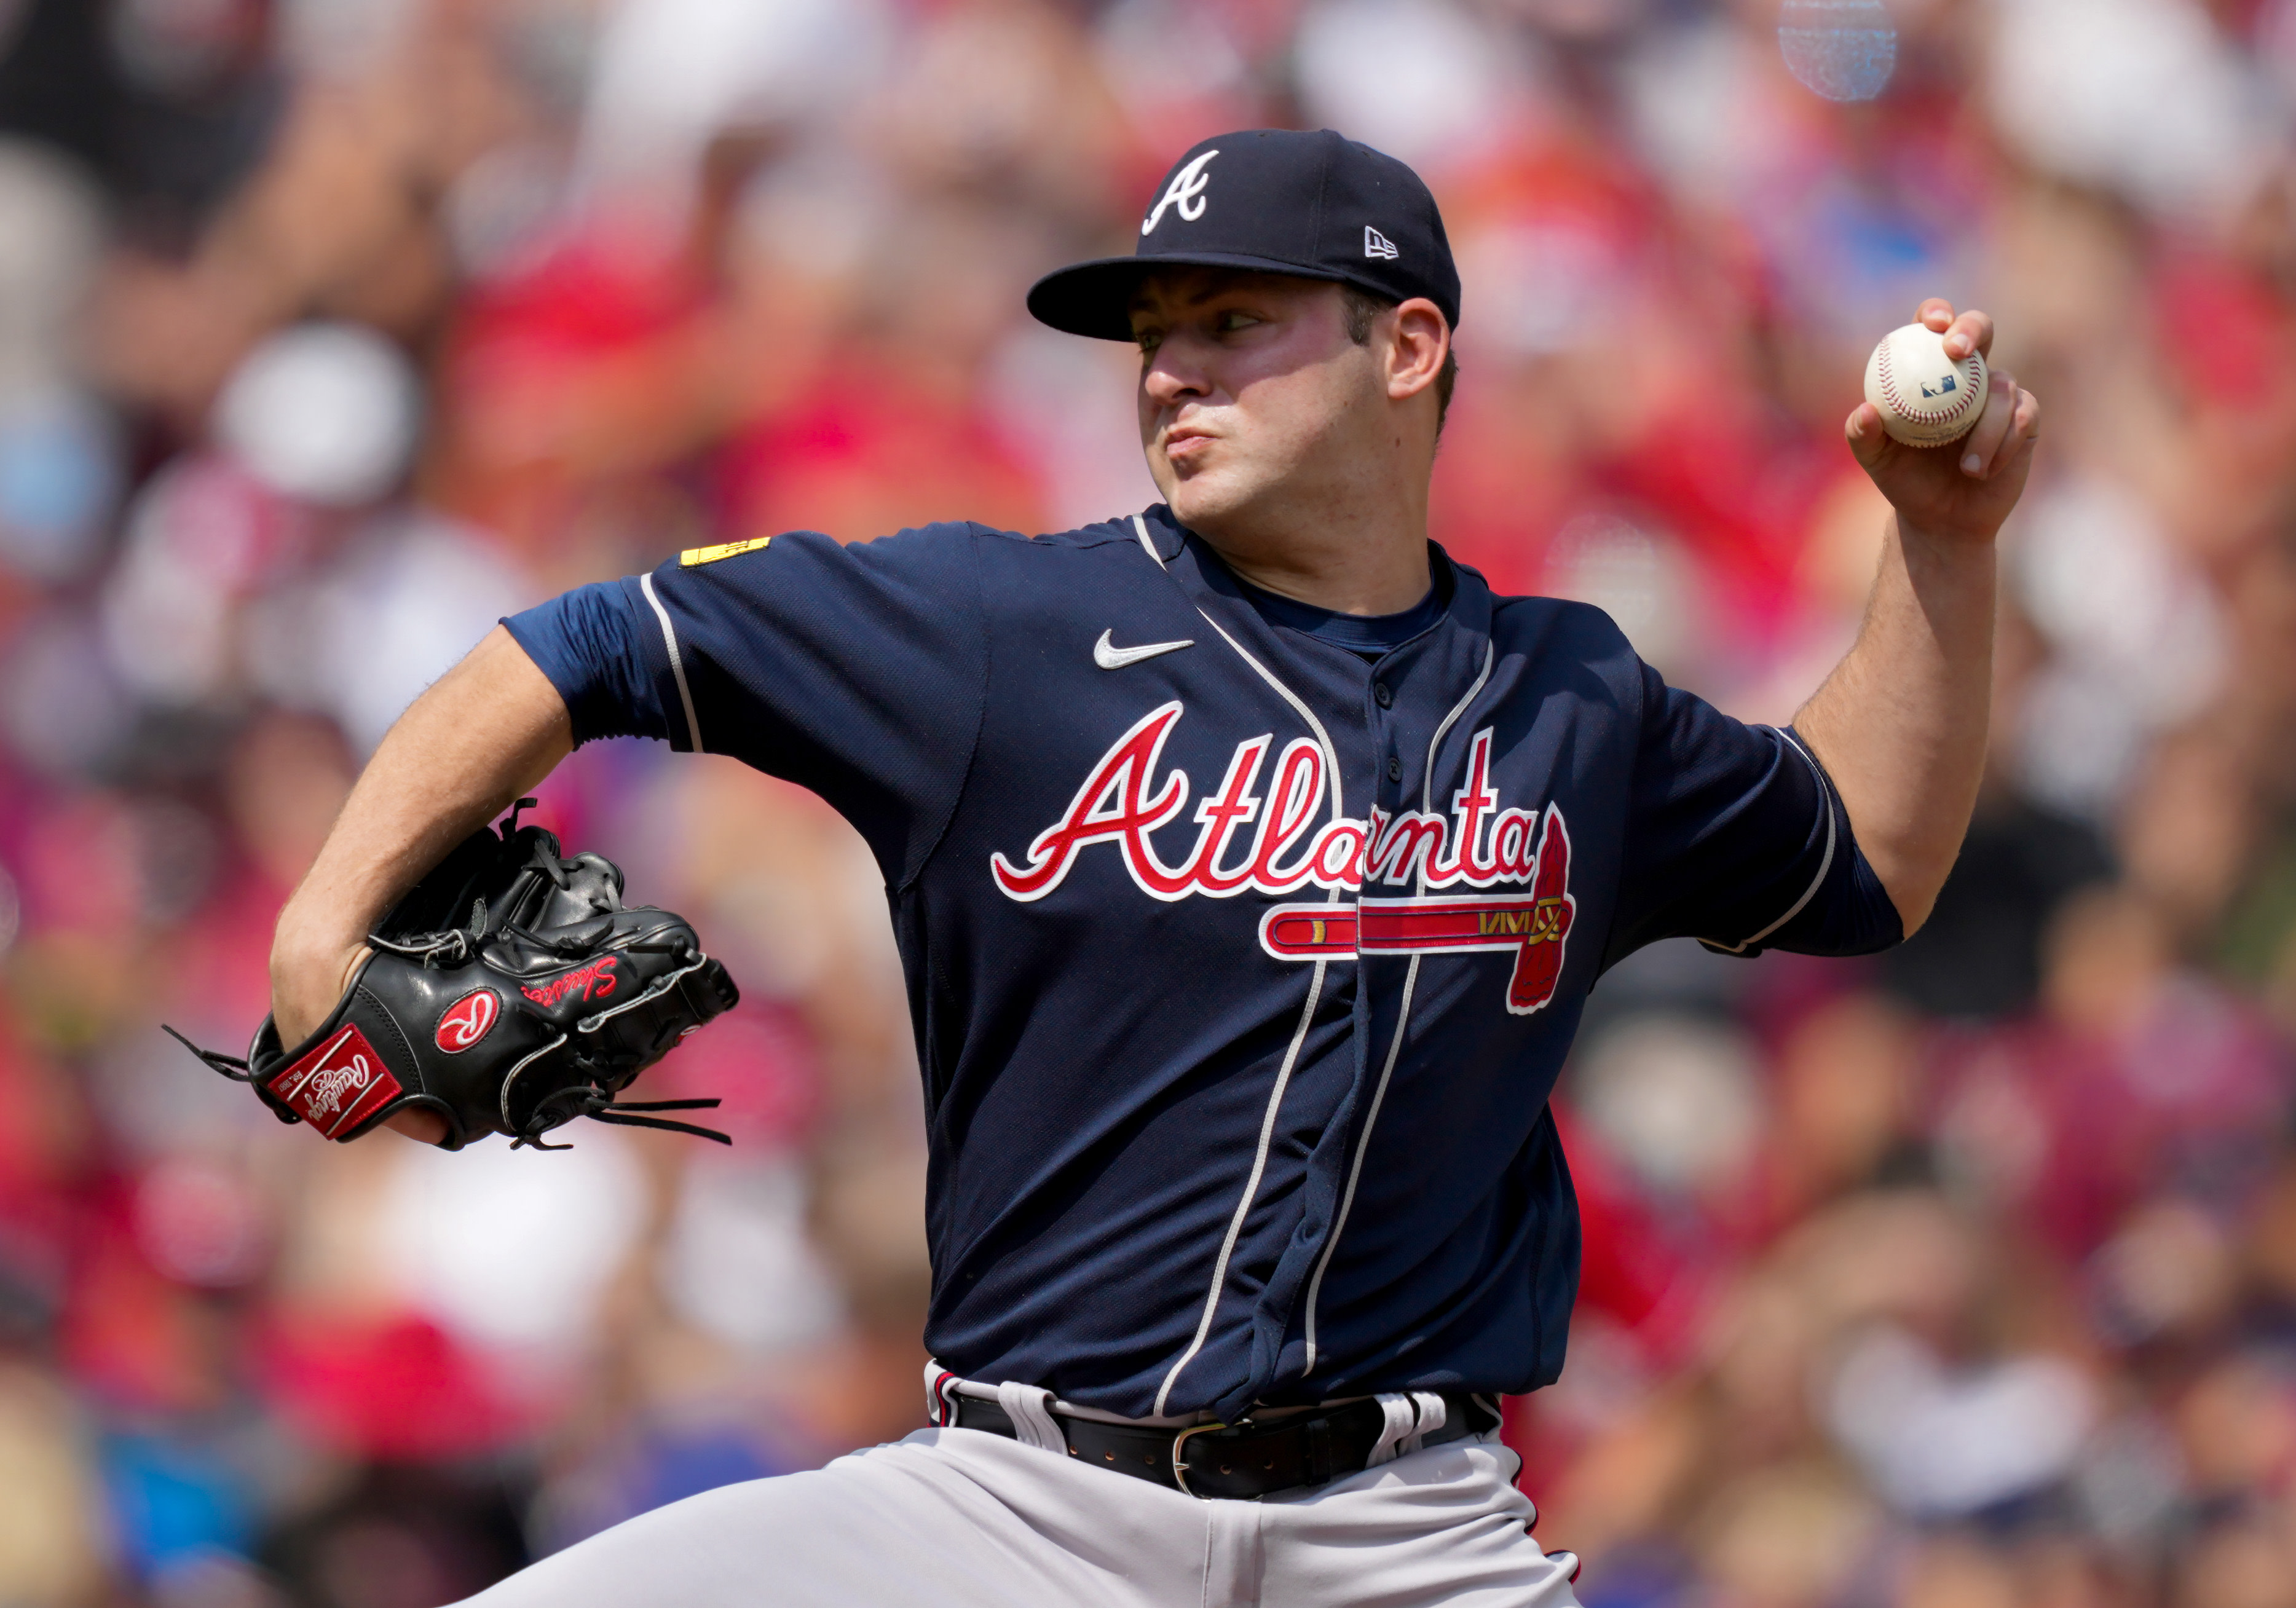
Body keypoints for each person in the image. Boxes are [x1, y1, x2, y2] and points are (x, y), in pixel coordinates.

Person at [267, 128, 2040, 1606]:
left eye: (1231, 319)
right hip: (1012, 1515)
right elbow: (581, 643)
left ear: (1406, 347)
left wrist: (1939, 549)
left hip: (1407, 1540)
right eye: (1151, 334)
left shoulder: (1568, 692)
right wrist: (325, 919)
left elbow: (1861, 854)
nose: (1170, 366)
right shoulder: (1000, 629)